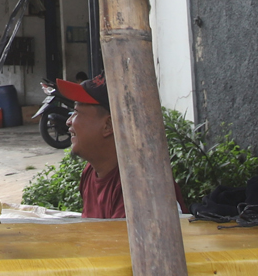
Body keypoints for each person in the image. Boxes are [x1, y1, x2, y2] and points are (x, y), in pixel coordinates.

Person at [56, 74, 186, 219]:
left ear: (108, 125)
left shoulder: (141, 185)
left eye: (76, 112)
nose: (69, 121)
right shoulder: (91, 172)